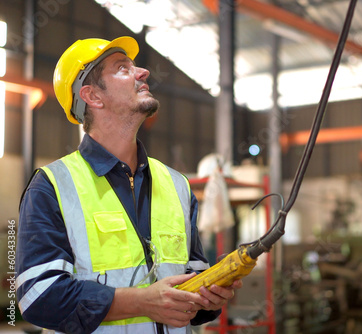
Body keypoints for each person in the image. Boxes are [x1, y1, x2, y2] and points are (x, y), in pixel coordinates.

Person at [15, 36, 242, 334]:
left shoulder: (177, 185)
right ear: (93, 96)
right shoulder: (52, 186)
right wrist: (141, 302)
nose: (143, 72)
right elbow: (39, 297)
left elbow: (192, 280)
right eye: (123, 68)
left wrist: (209, 296)